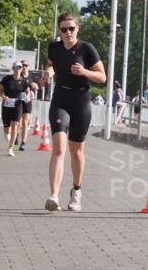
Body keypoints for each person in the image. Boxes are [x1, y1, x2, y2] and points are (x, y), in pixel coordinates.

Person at [44, 12, 106, 212]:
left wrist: (85, 72)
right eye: (64, 29)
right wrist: (48, 72)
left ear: (77, 29)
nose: (68, 32)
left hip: (81, 101)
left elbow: (102, 77)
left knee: (77, 151)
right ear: (59, 31)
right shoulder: (54, 48)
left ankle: (76, 190)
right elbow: (51, 65)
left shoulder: (87, 49)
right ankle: (53, 196)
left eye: (71, 28)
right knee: (59, 149)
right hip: (60, 99)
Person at [0, 62, 30, 156]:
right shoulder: (6, 79)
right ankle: (6, 133)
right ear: (13, 69)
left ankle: (10, 148)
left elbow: (27, 91)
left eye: (19, 67)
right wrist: (3, 96)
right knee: (7, 129)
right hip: (7, 105)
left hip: (18, 104)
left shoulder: (24, 81)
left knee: (16, 124)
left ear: (21, 69)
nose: (17, 69)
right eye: (15, 68)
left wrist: (27, 97)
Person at [18, 61, 38, 151]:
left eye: (26, 65)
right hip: (18, 101)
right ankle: (16, 135)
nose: (24, 67)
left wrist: (34, 86)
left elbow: (36, 86)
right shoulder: (18, 76)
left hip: (27, 101)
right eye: (23, 65)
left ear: (28, 67)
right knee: (17, 122)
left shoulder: (31, 77)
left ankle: (23, 143)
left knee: (25, 122)